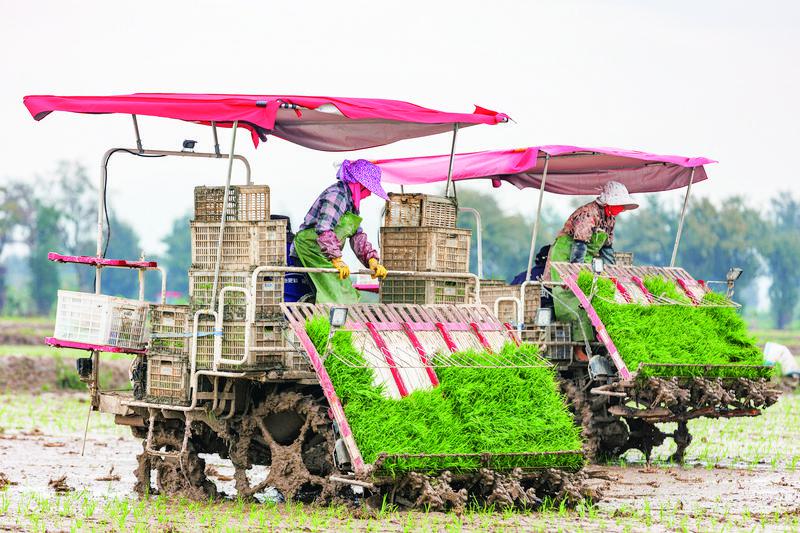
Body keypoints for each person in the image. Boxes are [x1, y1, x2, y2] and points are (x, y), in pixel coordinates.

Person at [547, 181, 638, 351]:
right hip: (567, 256)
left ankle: (593, 345)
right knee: (573, 298)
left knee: (591, 297)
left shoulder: (610, 219)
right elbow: (579, 245)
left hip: (586, 259)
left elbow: (607, 249)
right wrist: (574, 273)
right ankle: (578, 349)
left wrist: (611, 275)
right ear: (608, 202)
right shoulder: (589, 213)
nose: (620, 209)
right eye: (618, 204)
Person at [292, 159, 389, 304]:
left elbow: (357, 235)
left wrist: (372, 260)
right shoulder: (336, 195)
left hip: (326, 255)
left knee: (345, 292)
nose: (369, 193)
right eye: (368, 188)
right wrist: (336, 259)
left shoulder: (351, 203)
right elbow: (324, 228)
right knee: (335, 296)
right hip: (310, 252)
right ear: (359, 184)